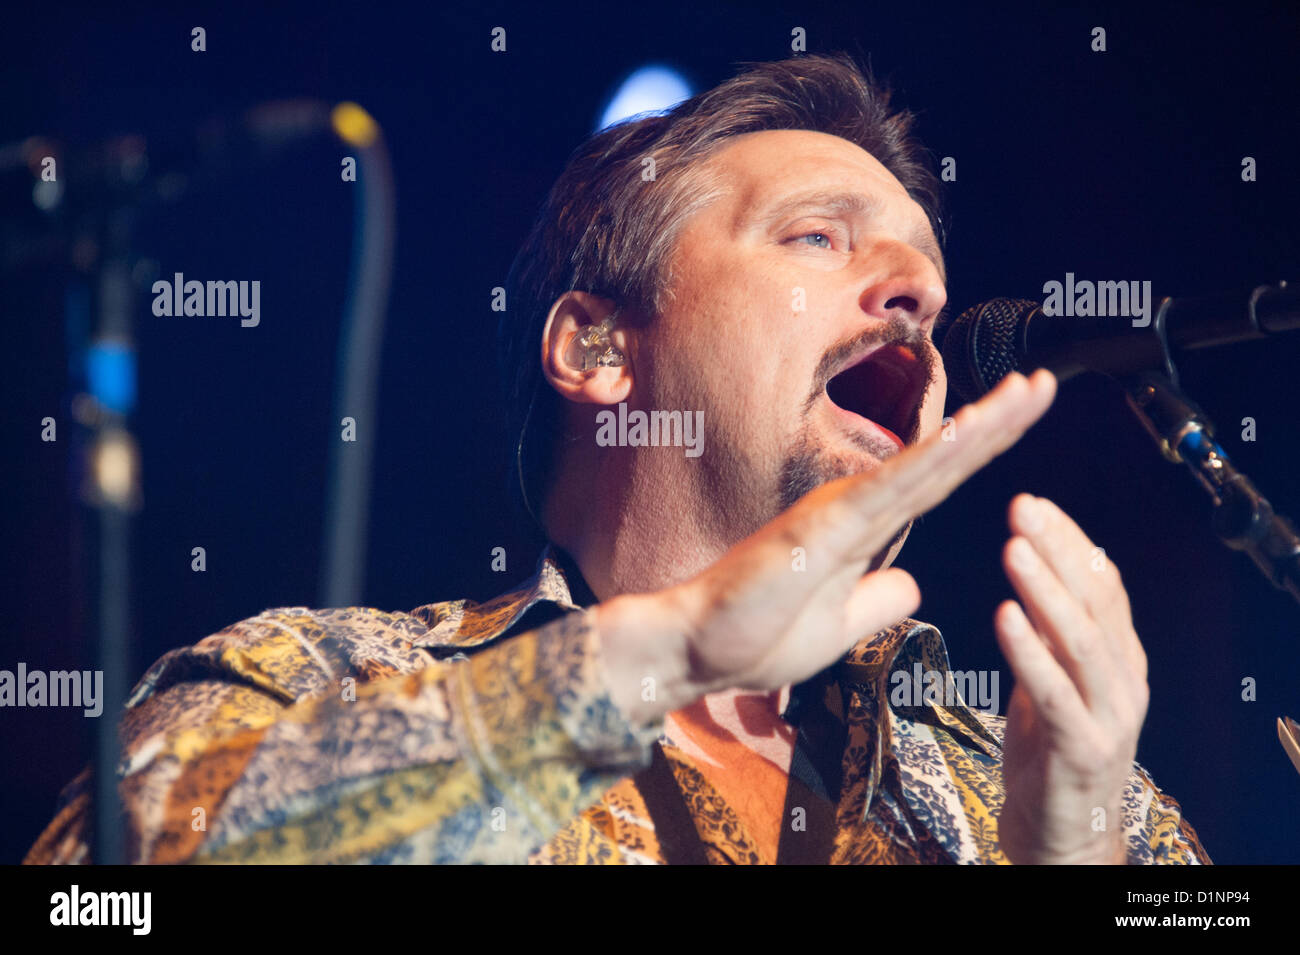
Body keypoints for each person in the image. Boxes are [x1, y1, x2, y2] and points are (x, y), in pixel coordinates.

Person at [26, 53, 1209, 865]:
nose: (917, 295)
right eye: (816, 238)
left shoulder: (1046, 777)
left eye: (925, 279)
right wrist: (657, 656)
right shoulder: (324, 678)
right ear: (597, 345)